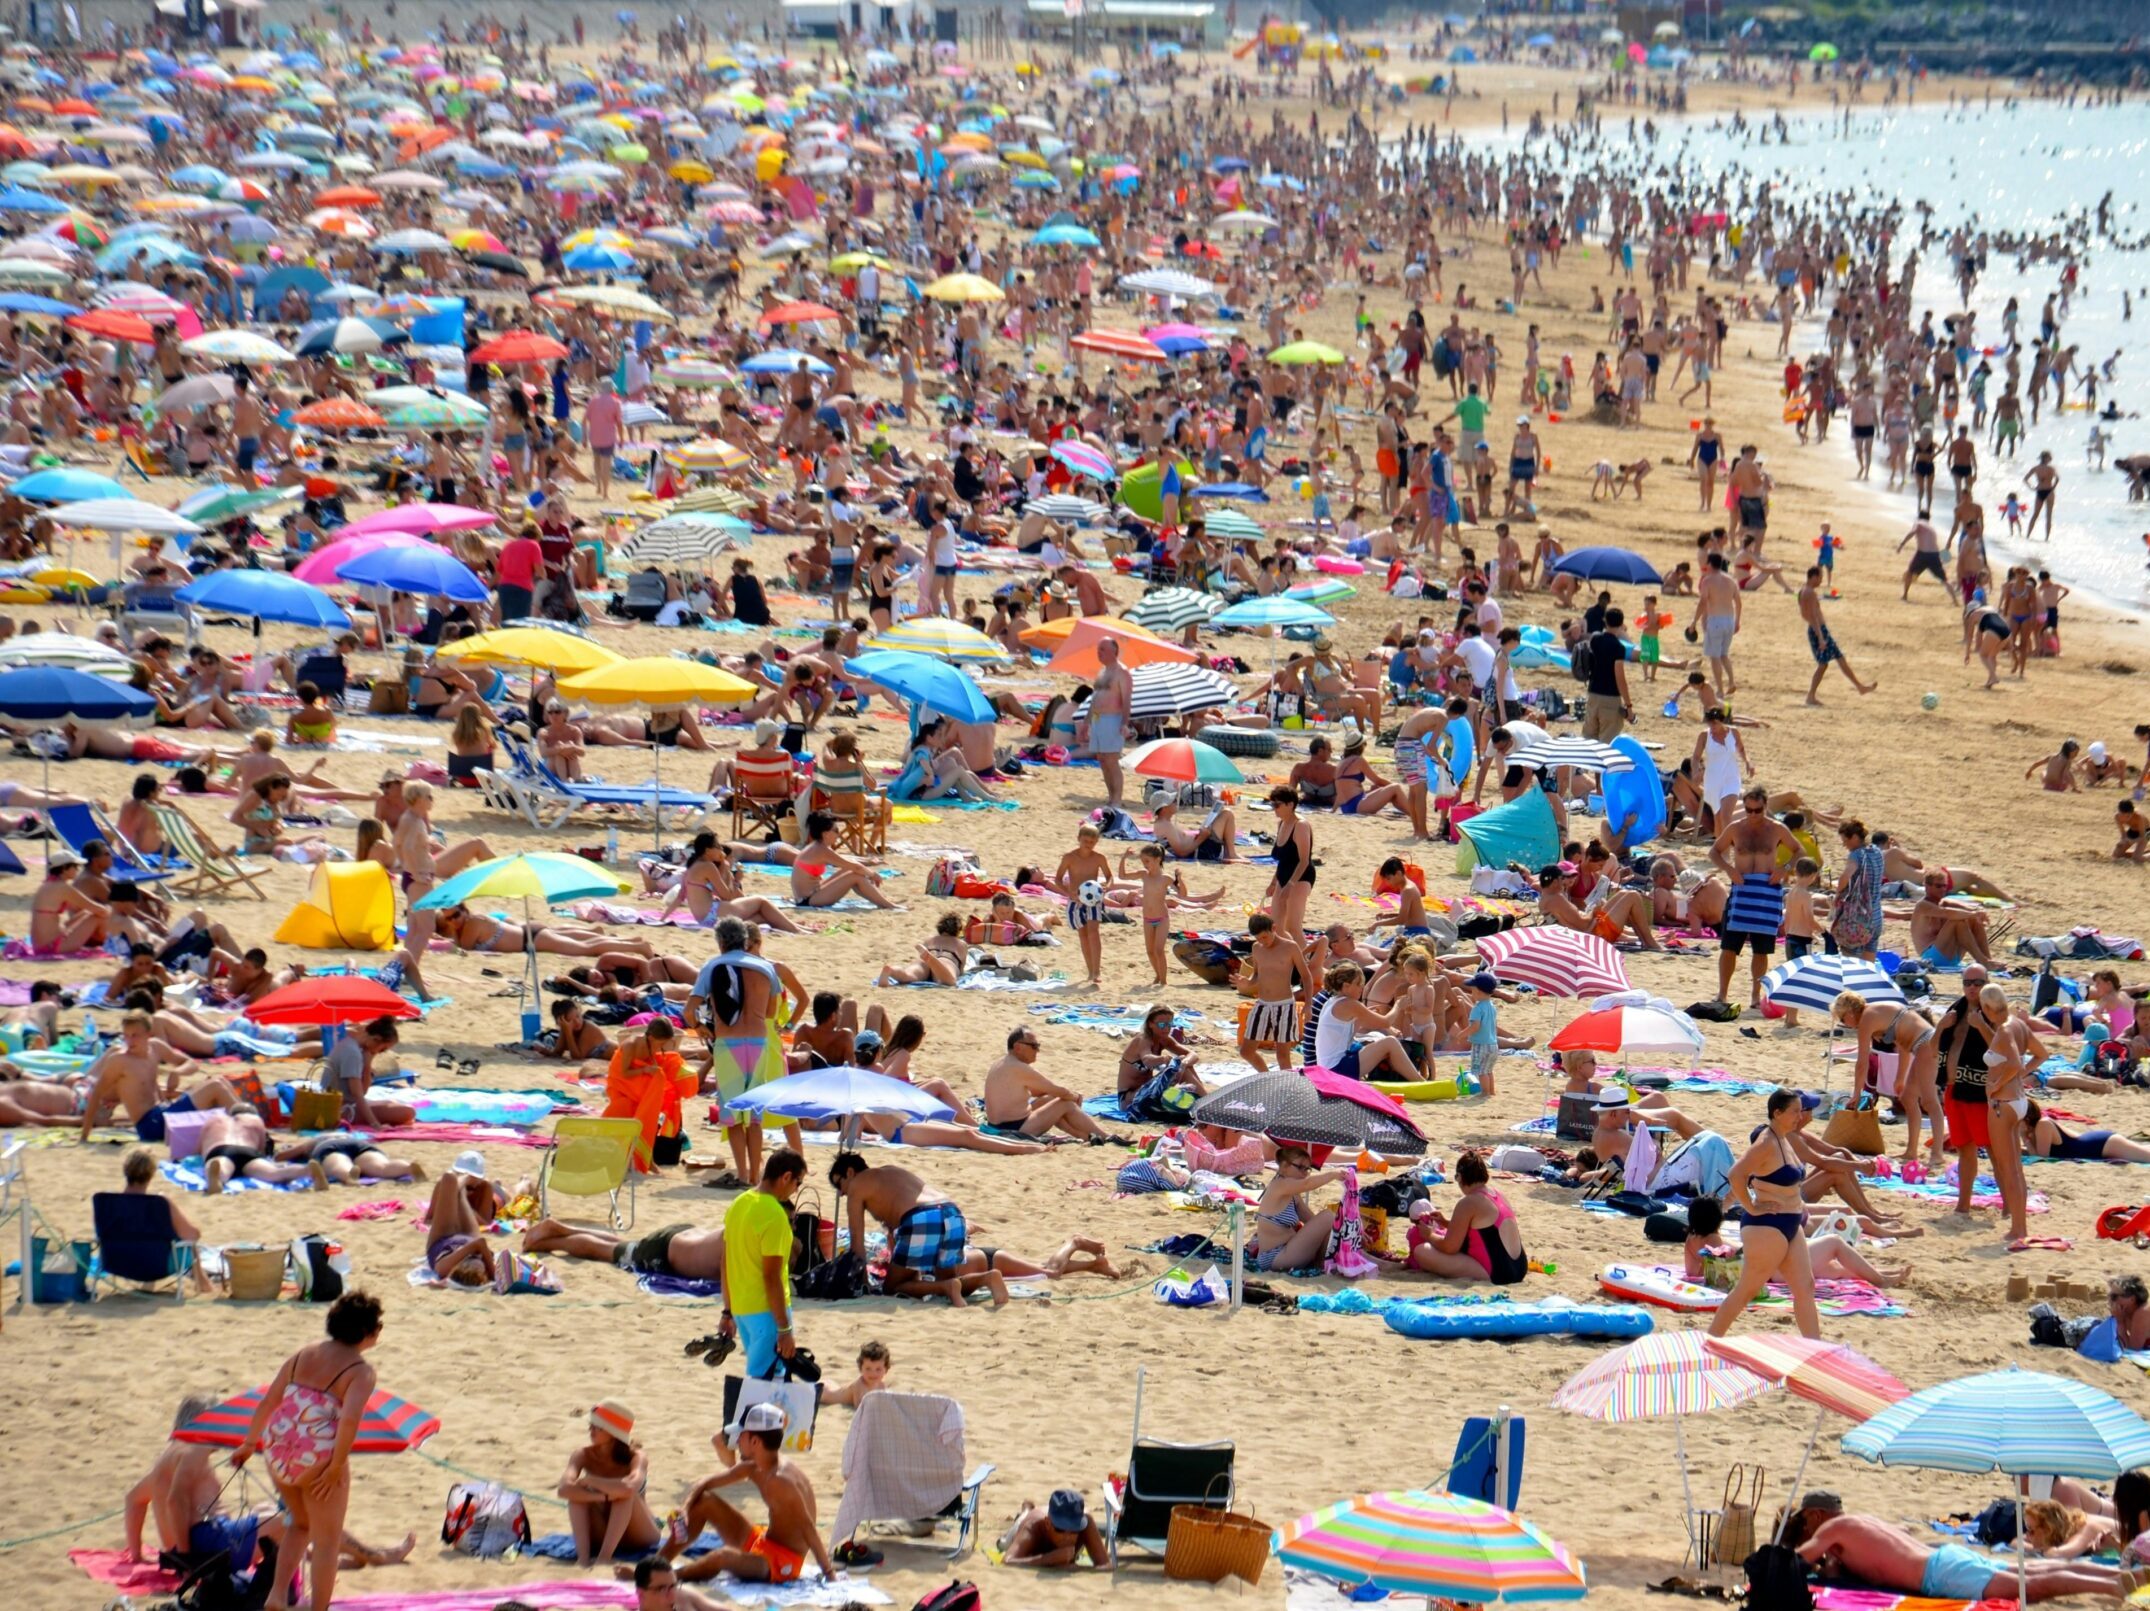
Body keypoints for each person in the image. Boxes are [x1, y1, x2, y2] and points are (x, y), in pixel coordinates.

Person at [231, 1290, 384, 1611]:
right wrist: (336, 1467)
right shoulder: (360, 1371)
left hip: (276, 1448)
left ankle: (276, 1596)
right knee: (327, 1543)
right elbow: (349, 1422)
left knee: (299, 1525)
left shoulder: (303, 1355)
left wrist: (248, 1443)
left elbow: (269, 1401)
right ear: (369, 1332)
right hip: (316, 1457)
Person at [653, 1403, 836, 1589]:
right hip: (763, 1541)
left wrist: (829, 1573)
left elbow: (809, 1530)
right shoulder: (755, 1466)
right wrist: (685, 1508)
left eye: (742, 1435)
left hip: (783, 1562)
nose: (737, 1440)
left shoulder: (781, 1481)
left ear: (755, 1442)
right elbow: (706, 1482)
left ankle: (661, 1578)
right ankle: (655, 1565)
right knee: (705, 1501)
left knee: (722, 1556)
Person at [1791, 1511, 2131, 1602]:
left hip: (1939, 1576)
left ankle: (2114, 1586)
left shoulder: (1829, 1534)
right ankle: (2116, 1576)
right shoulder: (1859, 1521)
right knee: (2033, 1573)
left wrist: (1823, 1562)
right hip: (1946, 1557)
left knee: (2033, 1586)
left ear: (1815, 1518)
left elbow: (1794, 1562)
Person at [1708, 1090, 1822, 1340]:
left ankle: (1816, 1350)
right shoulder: (1766, 1142)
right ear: (1777, 1113)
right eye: (1794, 1111)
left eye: (1800, 1111)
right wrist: (1750, 1206)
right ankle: (1710, 1341)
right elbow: (1736, 1174)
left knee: (1806, 1287)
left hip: (1790, 1223)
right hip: (1766, 1226)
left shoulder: (1785, 1138)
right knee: (1746, 1290)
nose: (1800, 1116)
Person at [830, 1151, 1008, 1307]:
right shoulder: (891, 1173)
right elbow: (897, 1236)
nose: (841, 1193)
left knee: (892, 1288)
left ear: (850, 1172)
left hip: (921, 1218)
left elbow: (857, 1245)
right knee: (951, 1280)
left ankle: (946, 1288)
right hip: (952, 1213)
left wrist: (864, 1285)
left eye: (839, 1185)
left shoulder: (857, 1186)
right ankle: (987, 1278)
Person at [1833, 991, 1947, 1172]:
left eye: (1842, 1019)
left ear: (1849, 1014)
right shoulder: (1877, 1013)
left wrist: (1856, 1094)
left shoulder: (1867, 1019)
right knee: (1909, 1098)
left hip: (1926, 1044)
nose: (1844, 1024)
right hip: (1921, 1045)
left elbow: (1862, 1063)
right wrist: (1900, 1078)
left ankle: (1938, 1153)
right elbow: (1902, 1044)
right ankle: (1911, 1151)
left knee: (1929, 1100)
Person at [718, 1149, 804, 1379]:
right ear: (786, 1177)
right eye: (798, 1182)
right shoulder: (774, 1215)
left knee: (760, 1382)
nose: (796, 1188)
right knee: (767, 1388)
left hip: (742, 1310)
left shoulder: (738, 1203)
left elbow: (725, 1263)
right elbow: (771, 1276)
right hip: (767, 1313)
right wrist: (784, 1329)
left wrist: (728, 1311)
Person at [560, 1402, 660, 1568]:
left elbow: (630, 1487)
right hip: (603, 1530)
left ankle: (603, 1558)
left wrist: (593, 1481)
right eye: (590, 1426)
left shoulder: (636, 1456)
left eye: (598, 1427)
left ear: (614, 1432)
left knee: (624, 1496)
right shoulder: (583, 1454)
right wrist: (602, 1496)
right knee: (576, 1495)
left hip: (638, 1533)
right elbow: (563, 1489)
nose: (591, 1431)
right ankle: (583, 1559)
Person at [1404, 1151, 1528, 1282]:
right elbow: (1483, 1229)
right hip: (1519, 1268)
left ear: (1461, 1177)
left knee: (1421, 1252)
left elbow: (1450, 1247)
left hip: (1497, 1273)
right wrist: (1445, 1222)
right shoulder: (1498, 1194)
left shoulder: (1468, 1202)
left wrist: (1429, 1235)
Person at [983, 1026, 1112, 1141]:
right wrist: (1075, 1097)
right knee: (1065, 1104)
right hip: (1013, 1129)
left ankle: (1083, 1135)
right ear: (1018, 1047)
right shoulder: (1019, 1067)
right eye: (1034, 1046)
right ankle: (1106, 1137)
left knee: (1049, 1100)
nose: (1037, 1051)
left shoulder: (1001, 1063)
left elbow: (1039, 1091)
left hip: (996, 1126)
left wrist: (1058, 1095)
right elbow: (1058, 1091)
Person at [603, 1019, 696, 1173]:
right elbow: (625, 1073)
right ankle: (626, 1158)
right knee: (626, 1114)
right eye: (660, 1044)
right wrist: (646, 1070)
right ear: (652, 1037)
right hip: (621, 1084)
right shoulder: (630, 1045)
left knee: (649, 1113)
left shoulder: (651, 1045)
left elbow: (652, 1064)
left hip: (636, 1083)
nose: (661, 1048)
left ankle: (647, 1158)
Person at [1252, 1145, 1345, 1273]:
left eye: (1307, 1169)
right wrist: (1334, 1174)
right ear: (1284, 1166)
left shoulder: (1293, 1193)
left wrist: (1344, 1229)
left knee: (1330, 1228)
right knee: (1328, 1216)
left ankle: (1321, 1265)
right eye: (1300, 1167)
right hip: (1274, 1257)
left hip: (1288, 1252)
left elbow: (1311, 1220)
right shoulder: (1279, 1185)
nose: (1304, 1173)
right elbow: (1307, 1184)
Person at [200, 1106, 331, 1194]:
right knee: (274, 1172)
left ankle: (218, 1178)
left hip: (222, 1148)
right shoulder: (255, 1120)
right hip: (248, 1152)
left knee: (221, 1165)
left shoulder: (214, 1120)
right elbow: (262, 1148)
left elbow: (201, 1147)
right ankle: (306, 1170)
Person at [1004, 1490, 1109, 1569]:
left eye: (1074, 1529)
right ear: (1048, 1523)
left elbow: (1106, 1565)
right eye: (1060, 1528)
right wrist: (1049, 1559)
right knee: (1004, 1543)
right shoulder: (1033, 1527)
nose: (1067, 1537)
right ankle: (1026, 1510)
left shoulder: (1086, 1523)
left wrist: (1075, 1568)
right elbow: (1007, 1561)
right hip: (1029, 1521)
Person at [2025, 1101, 2150, 1164]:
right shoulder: (2037, 1128)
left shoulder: (2043, 1124)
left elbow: (2041, 1157)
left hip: (2104, 1144)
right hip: (2099, 1144)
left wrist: (2024, 1138)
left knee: (2147, 1157)